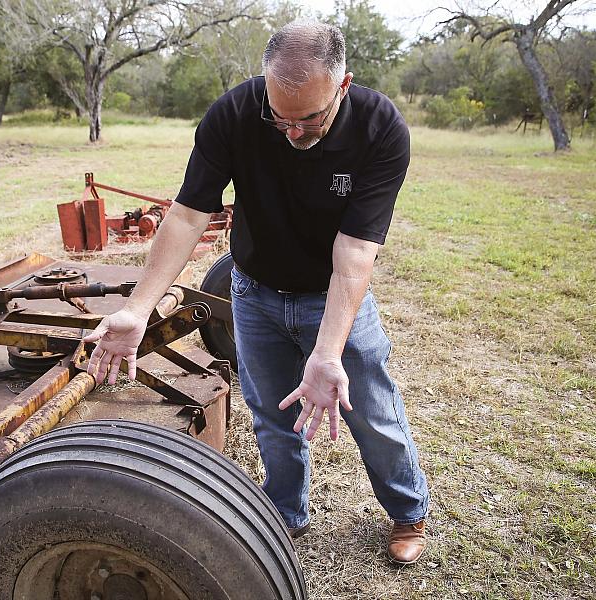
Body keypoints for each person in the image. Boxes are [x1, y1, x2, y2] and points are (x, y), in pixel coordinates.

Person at [83, 20, 430, 565]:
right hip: (253, 289)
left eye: (308, 118)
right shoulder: (236, 113)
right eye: (279, 116)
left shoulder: (380, 128)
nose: (290, 131)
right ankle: (286, 512)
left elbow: (356, 252)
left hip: (332, 295)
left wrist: (328, 352)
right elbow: (188, 213)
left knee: (371, 410)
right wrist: (137, 308)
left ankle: (408, 511)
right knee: (269, 410)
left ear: (343, 85)